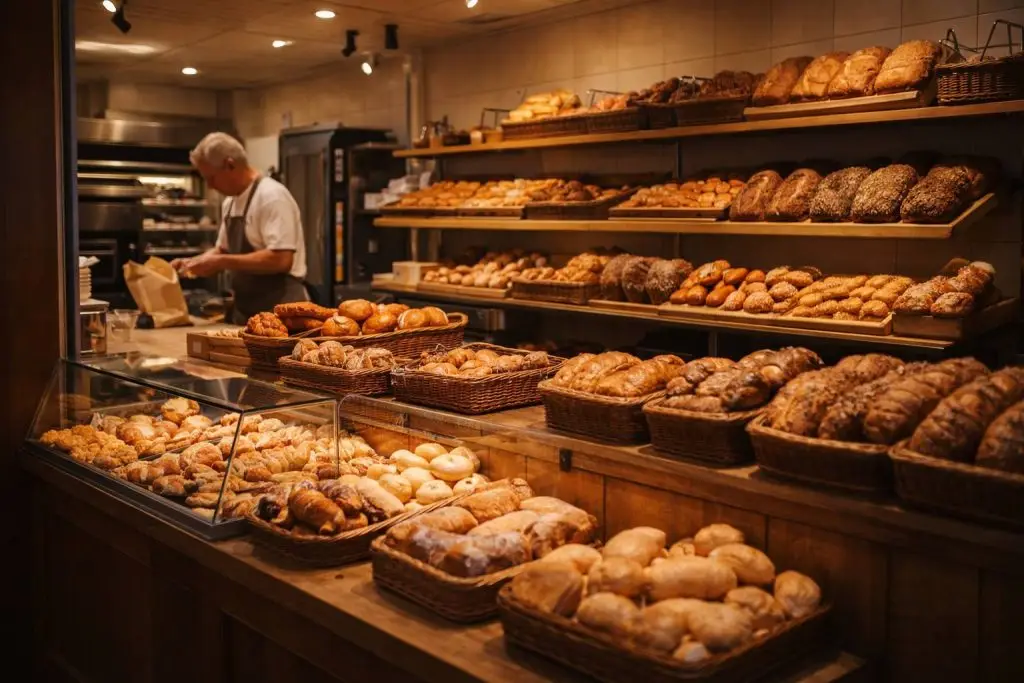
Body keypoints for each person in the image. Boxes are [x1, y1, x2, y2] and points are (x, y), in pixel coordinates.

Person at [172, 132, 308, 324]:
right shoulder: (230, 202)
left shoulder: (271, 196)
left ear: (230, 165)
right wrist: (193, 263)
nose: (210, 186)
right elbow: (222, 250)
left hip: (282, 313)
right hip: (246, 312)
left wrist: (221, 262)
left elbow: (281, 259)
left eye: (211, 177)